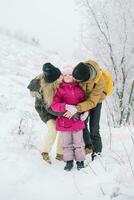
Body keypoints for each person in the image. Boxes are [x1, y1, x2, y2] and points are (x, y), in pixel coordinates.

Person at [65, 60, 106, 161]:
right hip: (82, 101)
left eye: (78, 80)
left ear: (85, 79)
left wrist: (77, 108)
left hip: (96, 102)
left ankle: (97, 155)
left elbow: (92, 102)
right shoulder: (80, 69)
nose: (76, 81)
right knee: (82, 124)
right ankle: (88, 146)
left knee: (94, 128)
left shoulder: (100, 81)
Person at [51, 67, 88, 171]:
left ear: (74, 77)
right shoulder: (60, 90)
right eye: (65, 75)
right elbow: (54, 105)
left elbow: (84, 104)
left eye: (70, 75)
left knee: (78, 143)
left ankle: (80, 161)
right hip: (64, 122)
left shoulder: (79, 89)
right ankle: (69, 161)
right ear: (63, 76)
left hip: (77, 122)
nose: (67, 76)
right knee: (66, 143)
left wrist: (86, 113)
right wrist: (66, 106)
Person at [27, 63, 64, 164]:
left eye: (61, 75)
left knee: (64, 128)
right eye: (59, 77)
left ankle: (60, 153)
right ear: (53, 81)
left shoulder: (57, 79)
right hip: (45, 110)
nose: (62, 78)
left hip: (57, 108)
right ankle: (45, 152)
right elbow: (49, 108)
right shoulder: (45, 89)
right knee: (53, 128)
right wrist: (64, 113)